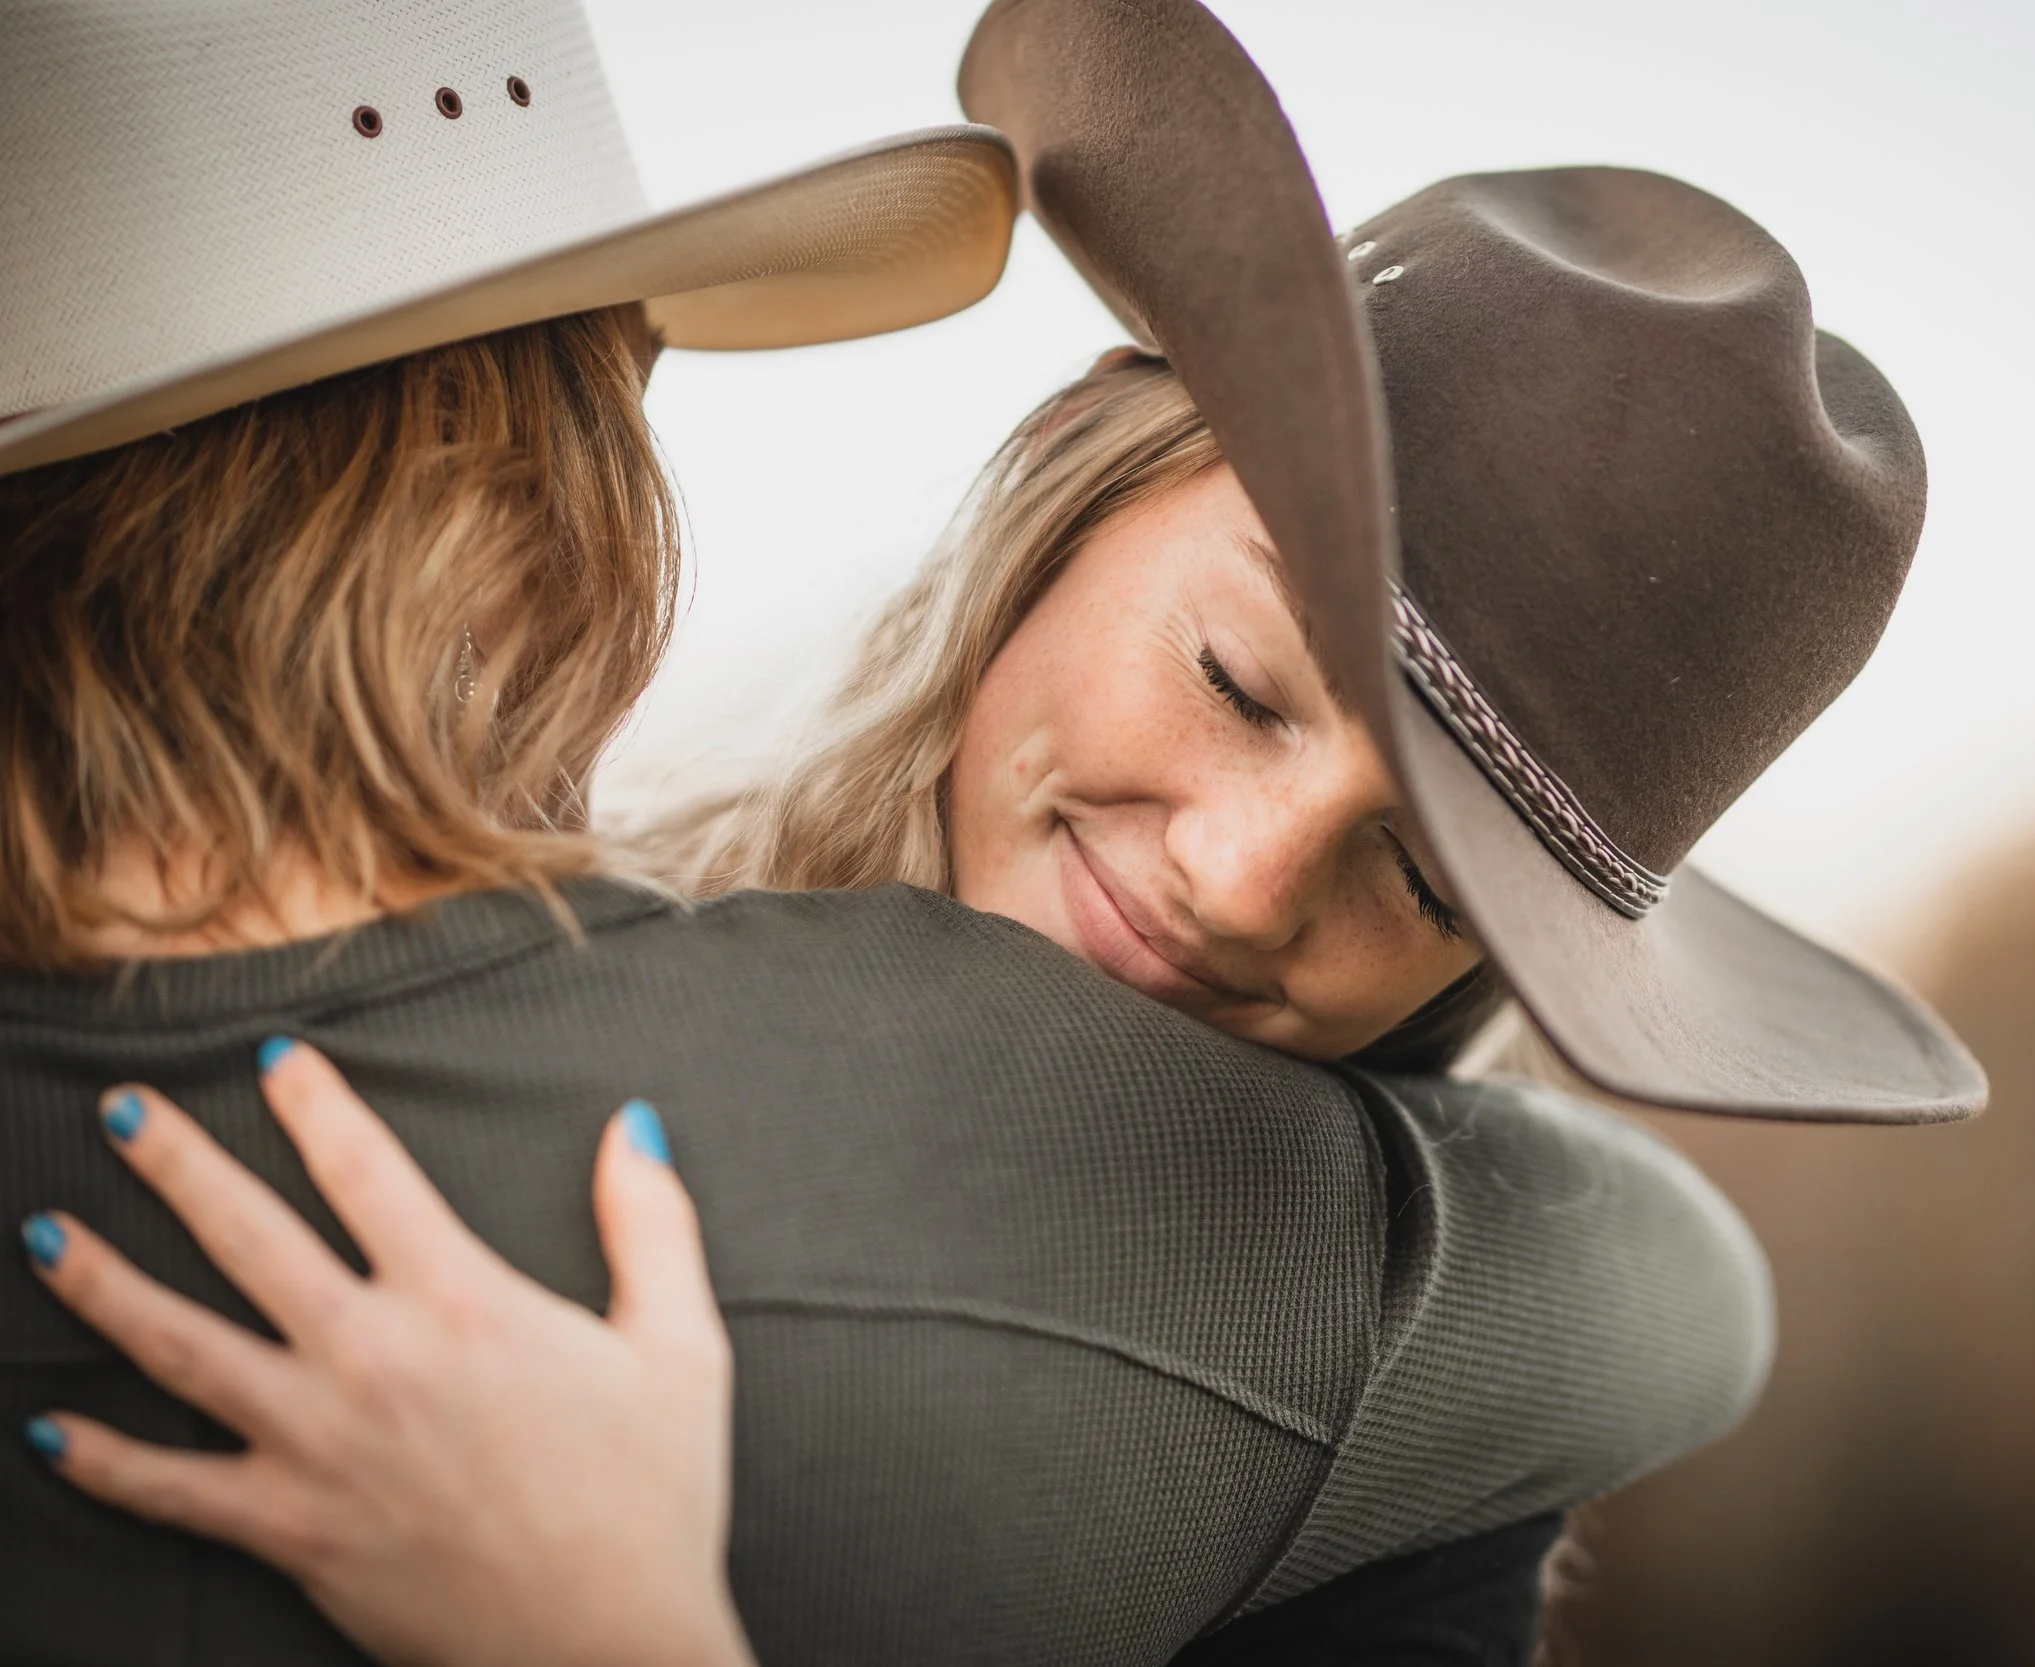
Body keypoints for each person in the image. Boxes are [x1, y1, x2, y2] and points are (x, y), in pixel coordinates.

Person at [4, 4, 1840, 1664]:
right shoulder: (596, 908)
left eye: (1428, 879)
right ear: (1070, 487)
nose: (1241, 877)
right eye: (1237, 678)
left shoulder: (1390, 1493)